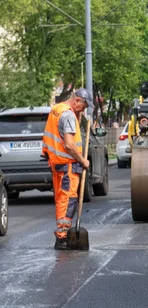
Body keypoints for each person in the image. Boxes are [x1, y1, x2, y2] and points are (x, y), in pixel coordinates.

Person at [42, 89, 92, 250]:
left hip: (57, 163)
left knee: (61, 199)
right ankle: (62, 237)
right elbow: (70, 145)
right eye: (83, 106)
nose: (83, 109)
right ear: (77, 100)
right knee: (68, 200)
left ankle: (61, 236)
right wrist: (83, 160)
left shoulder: (57, 109)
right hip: (68, 165)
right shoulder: (68, 115)